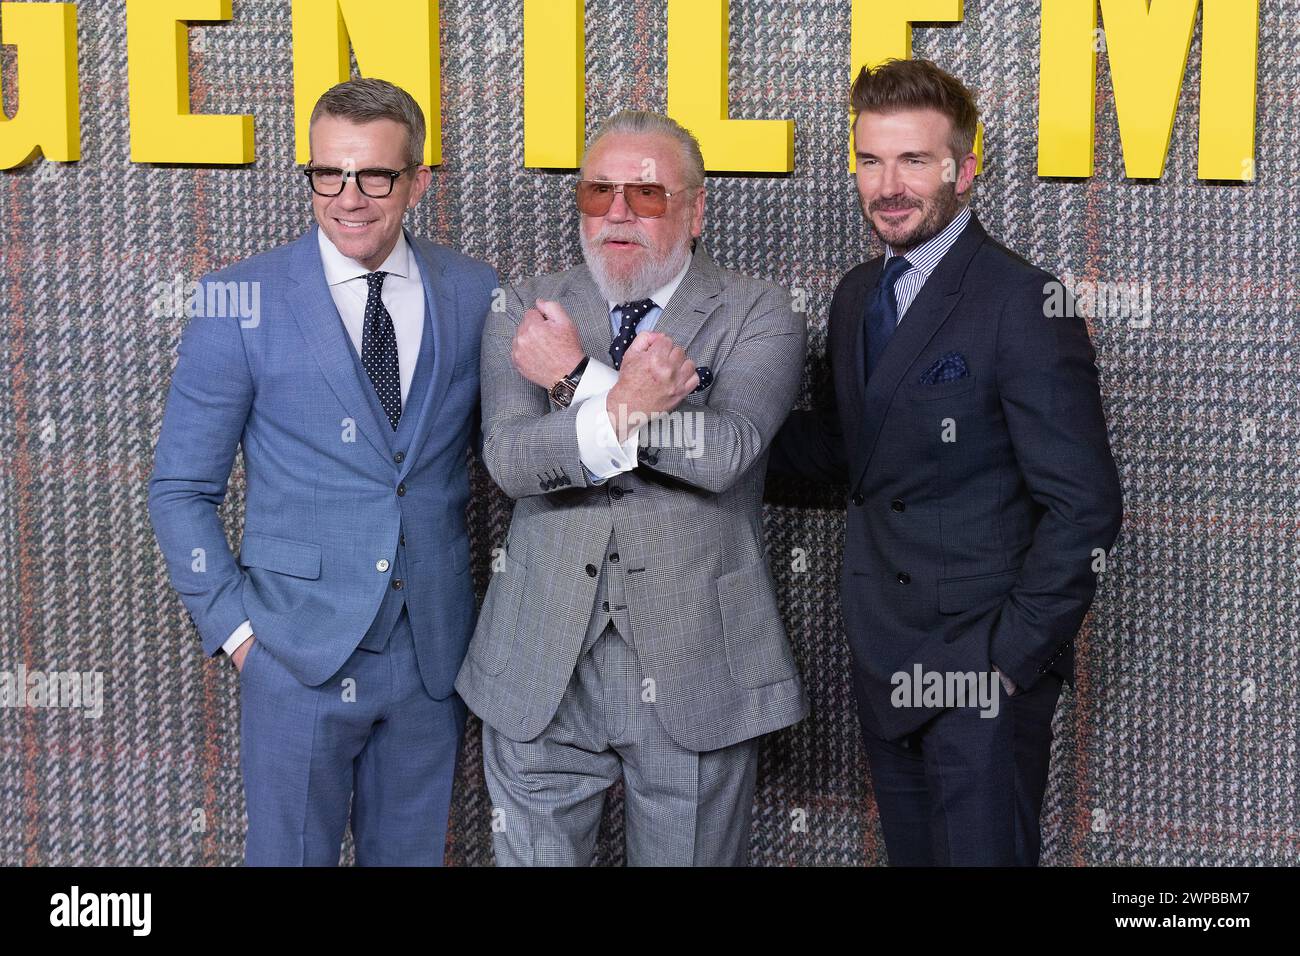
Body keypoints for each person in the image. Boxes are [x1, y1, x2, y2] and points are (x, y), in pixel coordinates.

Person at [769, 58, 1123, 865]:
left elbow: (1087, 508)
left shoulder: (1024, 302)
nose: (888, 185)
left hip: (981, 674)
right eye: (871, 159)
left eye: (914, 161)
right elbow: (847, 451)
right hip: (884, 657)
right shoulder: (860, 293)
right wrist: (685, 421)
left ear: (965, 169)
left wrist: (1008, 661)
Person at [148, 78, 495, 865]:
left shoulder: (475, 293)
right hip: (291, 651)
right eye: (327, 174)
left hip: (430, 657)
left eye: (375, 175)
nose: (349, 198)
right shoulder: (239, 300)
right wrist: (238, 633)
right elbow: (180, 491)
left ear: (417, 180)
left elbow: (503, 455)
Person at [455, 110, 808, 866]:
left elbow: (725, 453)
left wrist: (579, 380)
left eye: (646, 195)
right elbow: (513, 463)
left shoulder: (758, 310)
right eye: (598, 192)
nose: (617, 212)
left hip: (696, 664)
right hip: (538, 664)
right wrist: (632, 402)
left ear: (695, 208)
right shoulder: (526, 306)